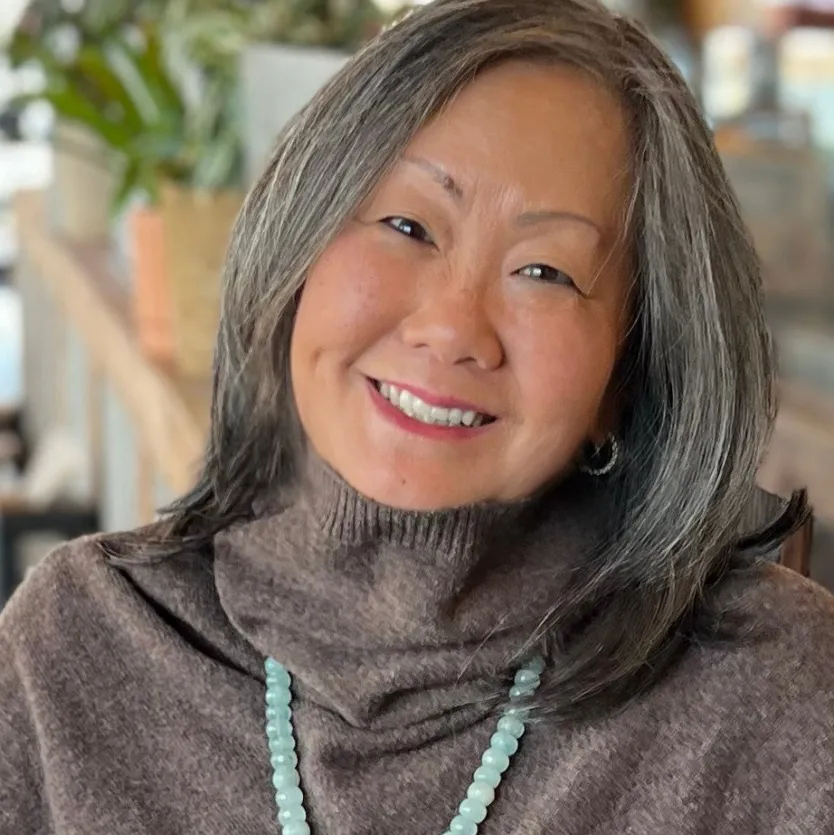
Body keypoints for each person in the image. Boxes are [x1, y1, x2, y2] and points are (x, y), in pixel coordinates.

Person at [2, 0, 834, 832]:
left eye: (545, 271)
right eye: (407, 224)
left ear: (630, 371)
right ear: (297, 242)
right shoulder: (74, 652)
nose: (451, 327)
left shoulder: (771, 699)